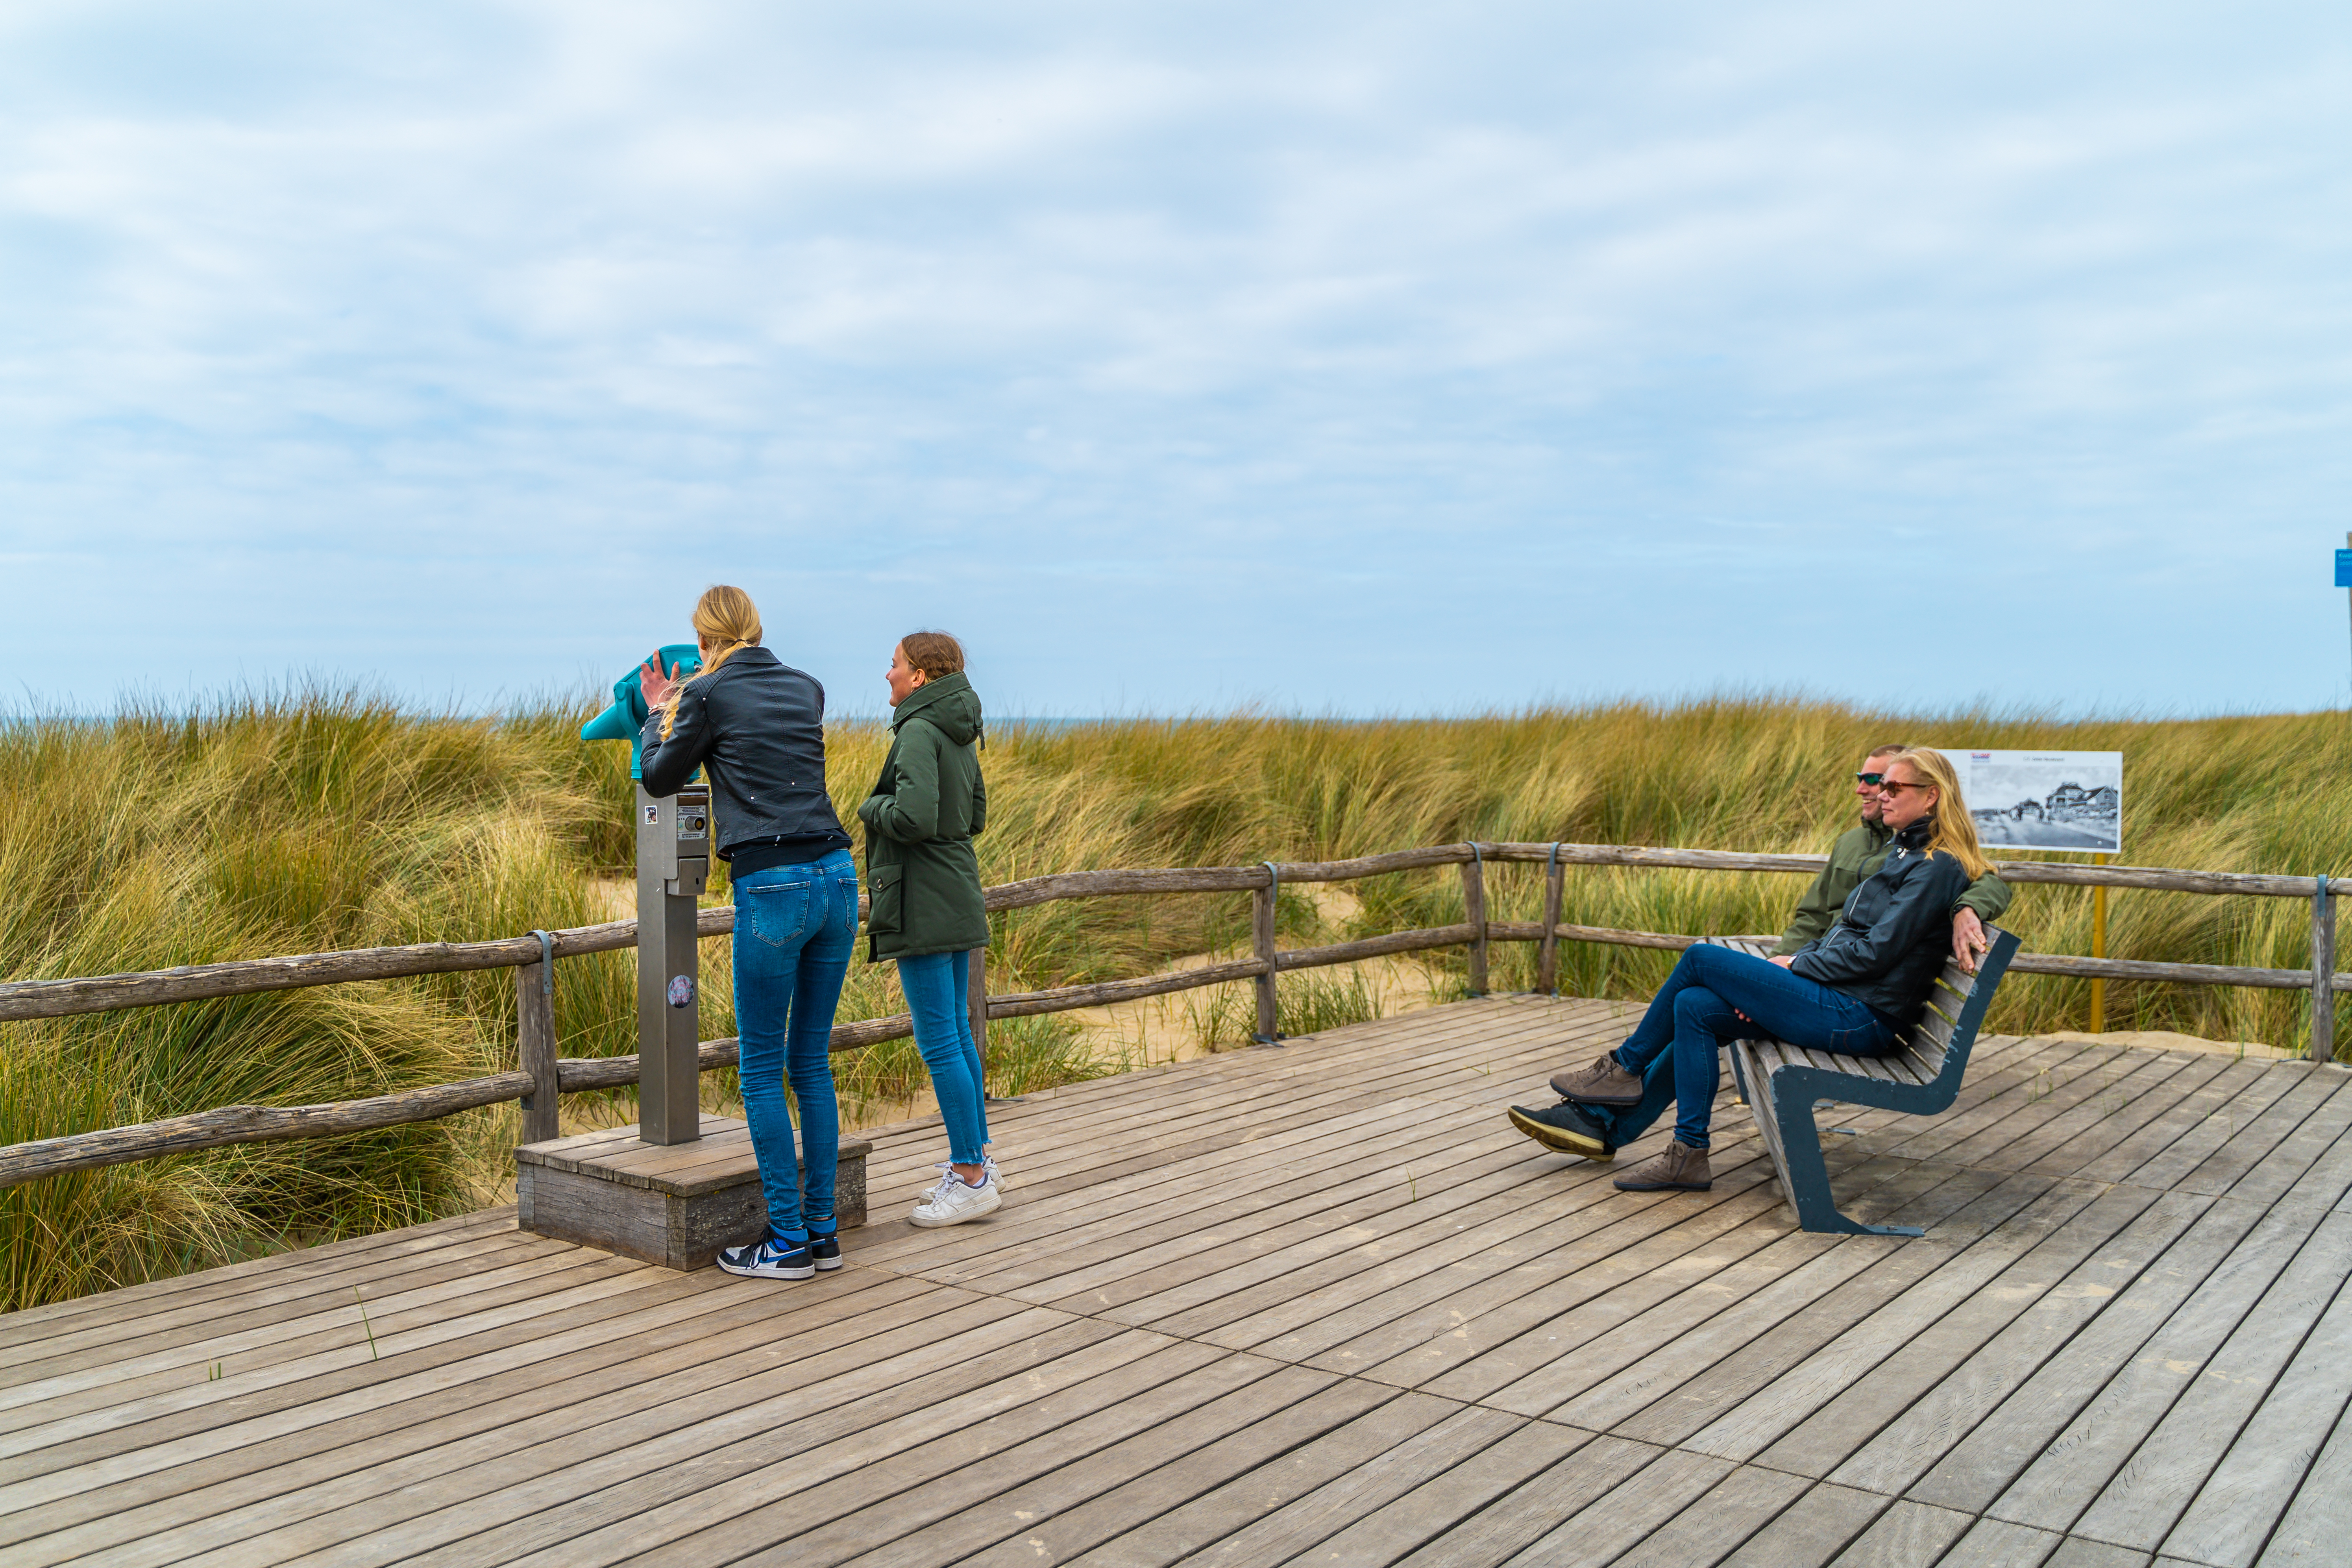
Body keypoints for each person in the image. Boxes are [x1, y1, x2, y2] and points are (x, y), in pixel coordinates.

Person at [1516, 747, 1991, 1193]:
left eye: (1893, 788)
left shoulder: (1936, 866)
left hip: (1861, 1016)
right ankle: (1688, 1153)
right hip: (1843, 1001)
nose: (1879, 795)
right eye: (1879, 786)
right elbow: (1848, 935)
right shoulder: (1907, 852)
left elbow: (1878, 954)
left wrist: (1797, 967)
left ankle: (1623, 1068)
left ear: (1931, 796)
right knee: (1695, 1005)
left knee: (1701, 958)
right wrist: (1778, 987)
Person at [638, 585, 859, 1281]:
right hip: (838, 875)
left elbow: (659, 774)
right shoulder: (807, 687)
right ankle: (821, 1231)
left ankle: (787, 1240)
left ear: (704, 639)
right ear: (756, 629)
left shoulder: (704, 692)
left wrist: (656, 715)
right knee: (811, 1061)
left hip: (773, 884)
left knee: (761, 1067)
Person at [858, 630, 1000, 1227]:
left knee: (940, 1040)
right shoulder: (959, 730)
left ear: (919, 677)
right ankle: (978, 1164)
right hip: (957, 889)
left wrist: (871, 807)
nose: (886, 673)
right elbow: (976, 816)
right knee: (958, 1038)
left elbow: (912, 817)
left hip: (922, 897)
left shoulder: (917, 730)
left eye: (894, 665)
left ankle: (969, 1176)